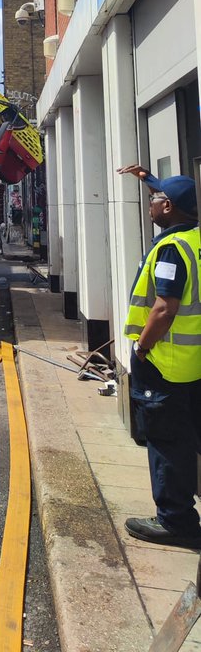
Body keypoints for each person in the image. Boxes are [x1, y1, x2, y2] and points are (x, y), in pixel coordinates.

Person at [117, 164, 201, 548]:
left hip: (164, 366)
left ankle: (175, 520)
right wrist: (149, 180)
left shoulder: (171, 248)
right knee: (185, 438)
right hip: (192, 367)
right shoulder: (196, 239)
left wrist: (142, 347)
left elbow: (164, 309)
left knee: (167, 442)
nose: (149, 206)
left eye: (153, 200)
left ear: (167, 208)